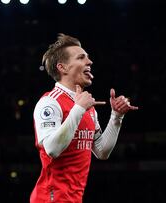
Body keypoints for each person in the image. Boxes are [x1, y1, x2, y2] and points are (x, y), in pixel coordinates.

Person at [30, 33, 138, 203]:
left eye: (88, 57)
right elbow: (52, 149)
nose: (89, 62)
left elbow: (102, 151)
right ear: (62, 67)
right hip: (50, 199)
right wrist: (78, 108)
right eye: (81, 58)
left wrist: (116, 116)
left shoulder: (87, 107)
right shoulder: (50, 102)